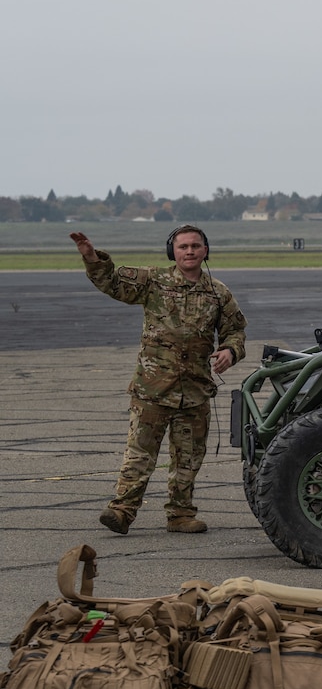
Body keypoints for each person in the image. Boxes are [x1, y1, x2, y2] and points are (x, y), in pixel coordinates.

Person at [73, 224, 247, 535]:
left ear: (206, 251)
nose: (189, 251)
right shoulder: (153, 281)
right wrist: (91, 256)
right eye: (183, 247)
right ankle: (122, 510)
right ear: (173, 252)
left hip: (194, 391)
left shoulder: (218, 293)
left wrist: (230, 352)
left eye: (195, 246)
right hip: (152, 389)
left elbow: (235, 330)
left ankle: (180, 515)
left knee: (188, 459)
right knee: (139, 455)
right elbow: (112, 283)